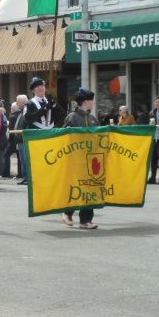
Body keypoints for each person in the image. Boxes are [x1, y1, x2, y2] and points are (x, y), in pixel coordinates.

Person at [62, 88, 100, 229]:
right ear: (85, 101)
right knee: (76, 188)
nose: (93, 103)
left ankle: (85, 220)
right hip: (76, 160)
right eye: (91, 100)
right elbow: (64, 138)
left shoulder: (93, 119)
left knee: (89, 190)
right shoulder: (72, 117)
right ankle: (67, 212)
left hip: (91, 161)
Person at [24, 77, 65, 183]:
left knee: (51, 158)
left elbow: (61, 115)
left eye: (42, 86)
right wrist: (46, 108)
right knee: (38, 159)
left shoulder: (49, 101)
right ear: (33, 90)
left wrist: (54, 105)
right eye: (38, 87)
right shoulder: (30, 104)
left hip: (50, 134)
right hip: (37, 135)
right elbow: (28, 119)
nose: (41, 88)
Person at [2, 102, 22, 180]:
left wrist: (9, 140)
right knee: (19, 157)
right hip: (20, 139)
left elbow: (11, 129)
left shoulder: (12, 116)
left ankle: (6, 173)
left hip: (13, 140)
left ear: (13, 109)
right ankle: (20, 174)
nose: (10, 110)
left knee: (6, 155)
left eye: (11, 108)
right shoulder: (21, 115)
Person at [14, 95, 29, 185]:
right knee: (22, 160)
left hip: (24, 139)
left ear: (23, 102)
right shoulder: (21, 112)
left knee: (26, 160)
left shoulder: (26, 111)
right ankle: (24, 177)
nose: (16, 103)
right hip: (19, 140)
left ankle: (27, 178)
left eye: (17, 101)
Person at [0, 107, 9, 178]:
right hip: (3, 140)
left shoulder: (0, 119)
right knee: (0, 157)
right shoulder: (5, 119)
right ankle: (0, 173)